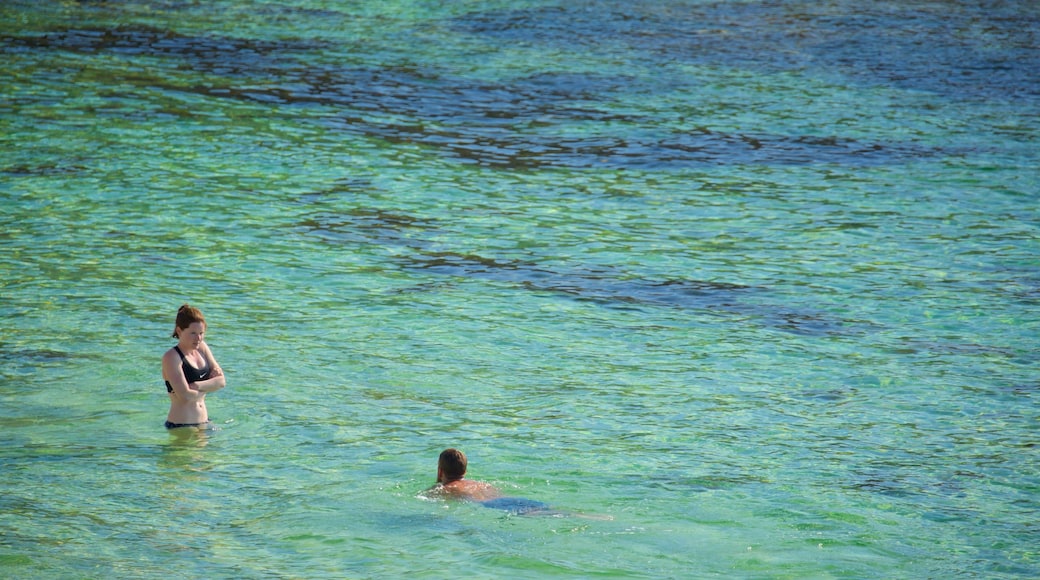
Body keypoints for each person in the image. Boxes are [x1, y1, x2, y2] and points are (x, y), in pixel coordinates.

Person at [423, 448, 555, 515]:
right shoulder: (480, 484)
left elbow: (423, 498)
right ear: (465, 471)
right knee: (548, 511)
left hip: (493, 506)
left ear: (440, 471)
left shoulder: (445, 489)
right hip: (511, 500)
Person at [162, 304, 225, 429]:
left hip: (204, 423)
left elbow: (222, 381)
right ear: (179, 331)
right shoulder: (172, 357)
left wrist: (196, 386)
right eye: (193, 333)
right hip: (181, 426)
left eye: (201, 333)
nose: (198, 338)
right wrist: (211, 384)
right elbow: (184, 396)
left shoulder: (202, 348)